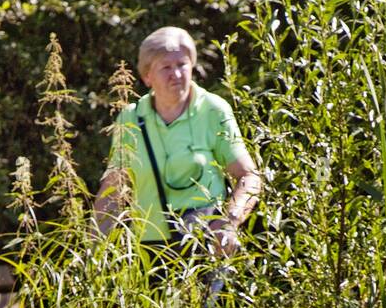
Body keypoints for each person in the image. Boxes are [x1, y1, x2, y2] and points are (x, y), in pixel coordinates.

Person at [92, 26, 261, 285]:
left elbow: (248, 176)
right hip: (148, 253)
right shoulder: (130, 118)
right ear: (147, 76)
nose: (177, 74)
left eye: (182, 64)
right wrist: (95, 252)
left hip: (205, 248)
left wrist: (230, 222)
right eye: (166, 68)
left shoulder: (213, 110)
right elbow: (113, 188)